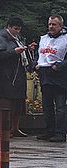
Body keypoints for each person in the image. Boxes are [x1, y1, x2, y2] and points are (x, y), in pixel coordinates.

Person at [0, 16, 36, 137]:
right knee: (4, 103)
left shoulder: (19, 38)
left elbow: (22, 52)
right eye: (15, 29)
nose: (18, 31)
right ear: (8, 27)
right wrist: (14, 52)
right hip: (6, 75)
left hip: (19, 73)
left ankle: (15, 128)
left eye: (19, 29)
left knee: (18, 102)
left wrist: (28, 49)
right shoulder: (1, 37)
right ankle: (0, 128)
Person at [36, 14, 67, 142]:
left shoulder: (65, 38)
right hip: (45, 75)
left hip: (60, 76)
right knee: (47, 105)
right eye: (49, 24)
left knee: (60, 107)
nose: (51, 27)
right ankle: (49, 130)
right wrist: (34, 64)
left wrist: (60, 66)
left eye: (54, 24)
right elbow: (40, 55)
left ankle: (60, 132)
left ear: (60, 25)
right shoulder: (44, 38)